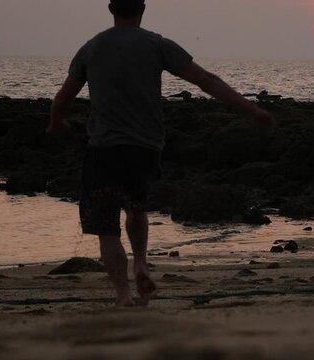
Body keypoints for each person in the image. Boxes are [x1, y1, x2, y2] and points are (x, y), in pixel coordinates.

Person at [47, 0, 275, 307]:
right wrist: (251, 110)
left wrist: (57, 123)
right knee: (136, 208)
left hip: (103, 150)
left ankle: (123, 294)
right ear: (142, 8)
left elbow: (63, 98)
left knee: (106, 228)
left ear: (111, 8)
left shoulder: (92, 48)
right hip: (145, 150)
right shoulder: (158, 45)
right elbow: (206, 81)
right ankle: (140, 263)